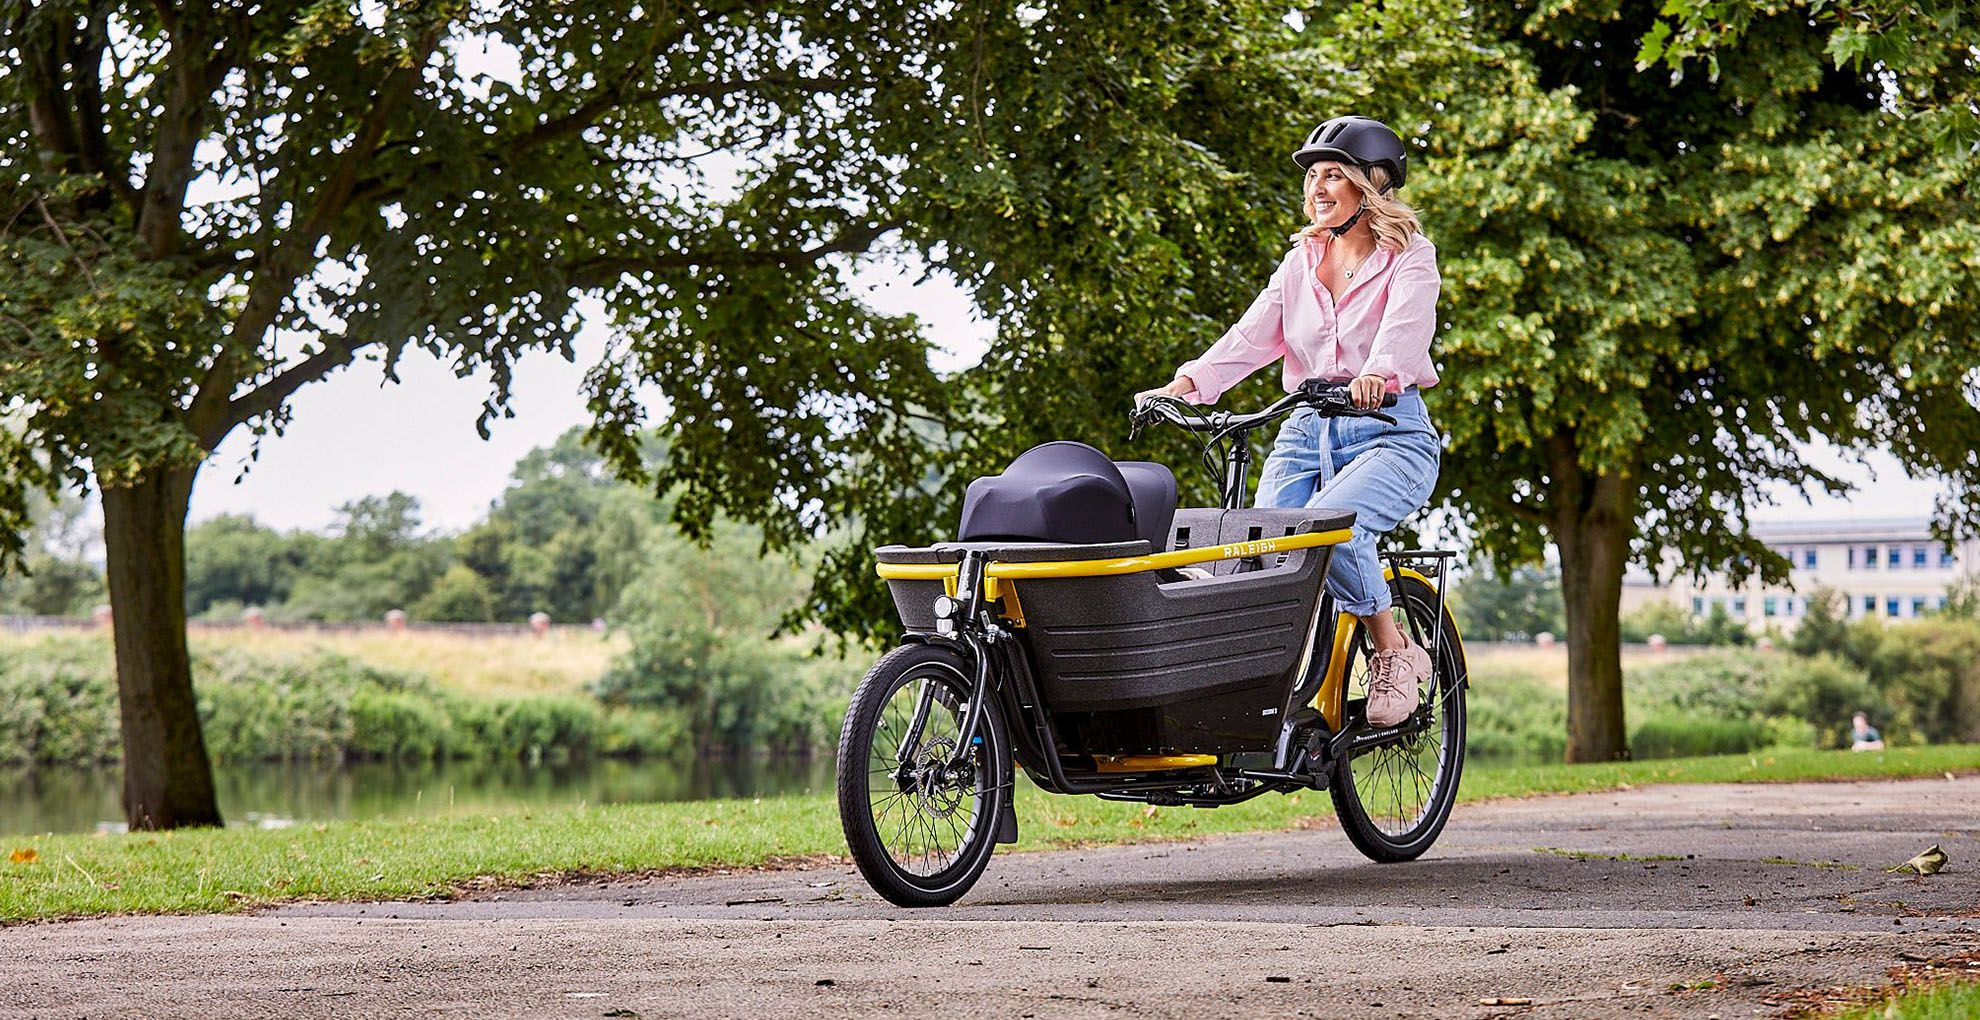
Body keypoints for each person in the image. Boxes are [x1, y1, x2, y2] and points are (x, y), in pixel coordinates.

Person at [1137, 114, 1441, 729]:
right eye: (1313, 177)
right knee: (1263, 550)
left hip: (1388, 429)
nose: (1318, 188)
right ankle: (1254, 687)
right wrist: (1187, 383)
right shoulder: (1300, 263)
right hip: (1305, 430)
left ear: (1370, 186)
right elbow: (1252, 336)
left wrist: (1378, 371)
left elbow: (1407, 329)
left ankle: (1395, 651)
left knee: (1335, 530)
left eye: (1334, 175)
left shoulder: (1411, 257)